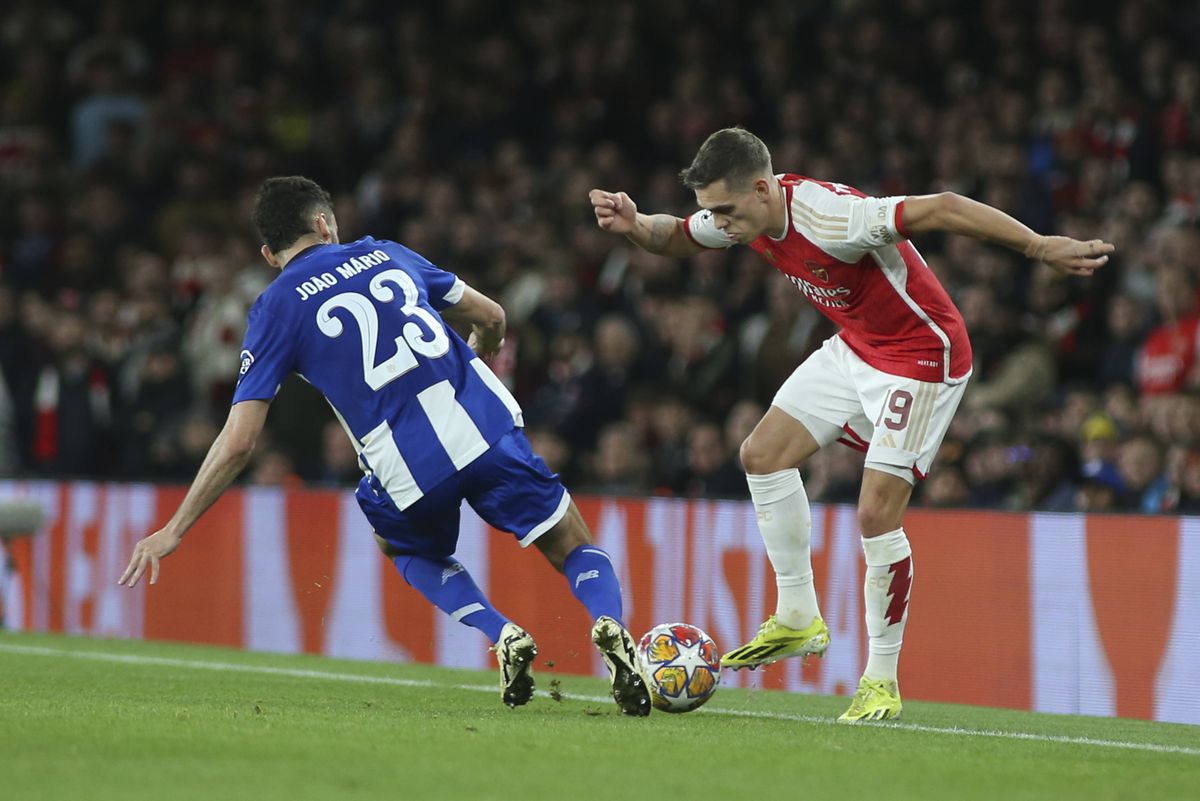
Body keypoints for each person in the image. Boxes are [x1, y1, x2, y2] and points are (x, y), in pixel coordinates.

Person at [590, 127, 1112, 723]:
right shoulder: (746, 216)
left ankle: (881, 681)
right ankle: (796, 616)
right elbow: (677, 236)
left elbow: (942, 207)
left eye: (726, 211)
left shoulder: (835, 218)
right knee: (762, 455)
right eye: (714, 211)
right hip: (859, 347)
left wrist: (1040, 247)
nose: (720, 224)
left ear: (763, 189)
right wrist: (633, 224)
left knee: (874, 514)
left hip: (922, 356)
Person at [120, 176, 651, 717]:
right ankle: (609, 622)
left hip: (406, 463)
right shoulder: (385, 253)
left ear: (268, 252)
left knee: (403, 546)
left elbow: (239, 441)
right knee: (568, 539)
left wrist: (175, 527)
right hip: (483, 426)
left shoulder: (274, 308)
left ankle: (501, 632)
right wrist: (482, 350)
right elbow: (492, 316)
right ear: (325, 224)